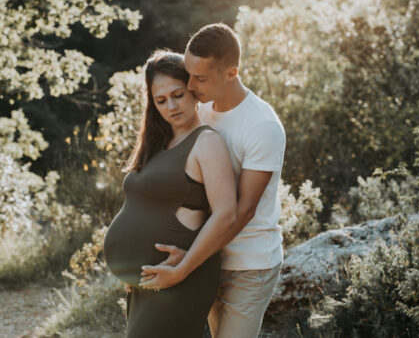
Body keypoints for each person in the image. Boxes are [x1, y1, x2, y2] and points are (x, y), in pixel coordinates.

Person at [141, 23, 286, 338]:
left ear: (232, 73)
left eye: (200, 78)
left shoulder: (261, 126)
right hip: (208, 258)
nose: (191, 86)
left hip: (250, 264)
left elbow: (242, 210)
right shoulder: (200, 109)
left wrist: (187, 264)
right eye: (189, 74)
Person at [103, 49, 237, 338]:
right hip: (149, 280)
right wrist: (130, 268)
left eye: (177, 94)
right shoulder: (158, 143)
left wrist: (183, 269)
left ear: (193, 90)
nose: (171, 106)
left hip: (181, 277)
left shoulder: (207, 142)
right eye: (160, 100)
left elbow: (226, 214)